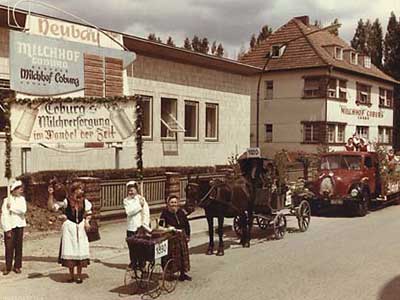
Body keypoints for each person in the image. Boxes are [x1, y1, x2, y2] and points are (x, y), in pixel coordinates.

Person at [48, 181, 92, 283]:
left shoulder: (85, 202)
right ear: (74, 190)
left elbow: (88, 213)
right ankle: (71, 275)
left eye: (82, 189)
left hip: (80, 228)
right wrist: (50, 194)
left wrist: (87, 222)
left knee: (80, 250)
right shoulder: (66, 201)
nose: (81, 191)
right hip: (69, 228)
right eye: (80, 189)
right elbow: (52, 208)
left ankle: (79, 275)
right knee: (70, 250)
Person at [159, 195, 191, 281]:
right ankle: (170, 273)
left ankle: (183, 274)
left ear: (178, 203)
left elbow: (187, 225)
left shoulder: (181, 212)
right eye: (172, 202)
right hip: (171, 237)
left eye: (175, 202)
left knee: (182, 256)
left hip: (181, 236)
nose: (174, 204)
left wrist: (188, 235)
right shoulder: (165, 213)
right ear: (168, 204)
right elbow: (160, 226)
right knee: (171, 256)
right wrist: (168, 229)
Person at [1, 180, 27, 275]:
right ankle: (8, 267)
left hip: (19, 225)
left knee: (18, 246)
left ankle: (17, 266)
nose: (21, 191)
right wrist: (7, 229)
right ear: (14, 190)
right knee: (9, 247)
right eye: (20, 189)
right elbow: (4, 215)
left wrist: (11, 208)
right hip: (10, 226)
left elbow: (23, 210)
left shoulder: (22, 199)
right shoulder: (6, 200)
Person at [123, 180, 150, 269]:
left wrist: (146, 225)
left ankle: (142, 263)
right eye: (129, 190)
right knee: (132, 246)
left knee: (141, 246)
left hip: (140, 227)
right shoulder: (126, 200)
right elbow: (129, 212)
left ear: (136, 190)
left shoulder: (141, 199)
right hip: (131, 227)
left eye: (132, 190)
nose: (130, 192)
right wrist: (139, 206)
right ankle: (133, 263)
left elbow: (146, 213)